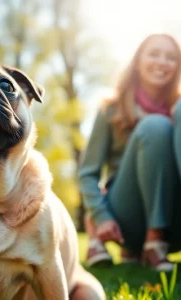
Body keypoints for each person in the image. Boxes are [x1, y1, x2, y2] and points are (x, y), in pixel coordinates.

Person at [78, 33, 181, 272]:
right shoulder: (111, 109)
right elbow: (87, 173)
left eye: (171, 57)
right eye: (154, 54)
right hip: (128, 217)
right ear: (137, 61)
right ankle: (152, 243)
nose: (162, 62)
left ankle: (156, 241)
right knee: (155, 126)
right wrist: (101, 216)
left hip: (174, 218)